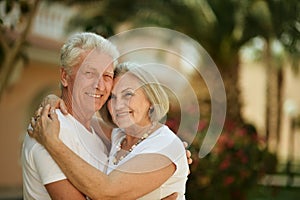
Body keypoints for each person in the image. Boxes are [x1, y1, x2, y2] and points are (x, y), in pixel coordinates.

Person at [29, 62, 189, 199]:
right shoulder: (118, 136)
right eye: (112, 97)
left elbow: (106, 192)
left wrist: (52, 142)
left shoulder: (165, 144)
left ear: (151, 100)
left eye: (128, 94)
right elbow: (75, 116)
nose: (118, 105)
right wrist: (53, 101)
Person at [22, 32, 119, 199]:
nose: (100, 85)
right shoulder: (48, 128)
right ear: (65, 76)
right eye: (89, 73)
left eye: (107, 76)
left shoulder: (99, 137)